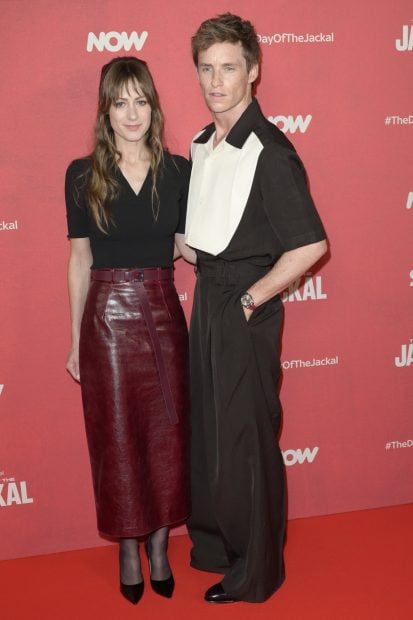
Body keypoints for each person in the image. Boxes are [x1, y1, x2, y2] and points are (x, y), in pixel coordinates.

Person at [185, 13, 328, 603]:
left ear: (253, 72)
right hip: (207, 296)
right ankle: (218, 546)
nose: (216, 81)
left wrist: (251, 298)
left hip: (243, 300)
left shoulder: (271, 149)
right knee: (210, 432)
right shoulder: (201, 142)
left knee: (245, 438)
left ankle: (257, 573)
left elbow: (312, 244)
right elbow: (205, 232)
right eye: (207, 69)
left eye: (228, 68)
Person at [65, 56, 192, 605]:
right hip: (109, 317)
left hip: (165, 312)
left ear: (153, 106)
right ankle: (127, 546)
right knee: (117, 439)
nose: (132, 113)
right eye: (121, 102)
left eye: (141, 100)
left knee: (167, 437)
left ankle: (160, 545)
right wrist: (74, 341)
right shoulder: (81, 173)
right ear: (106, 110)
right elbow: (78, 260)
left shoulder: (180, 170)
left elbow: (188, 246)